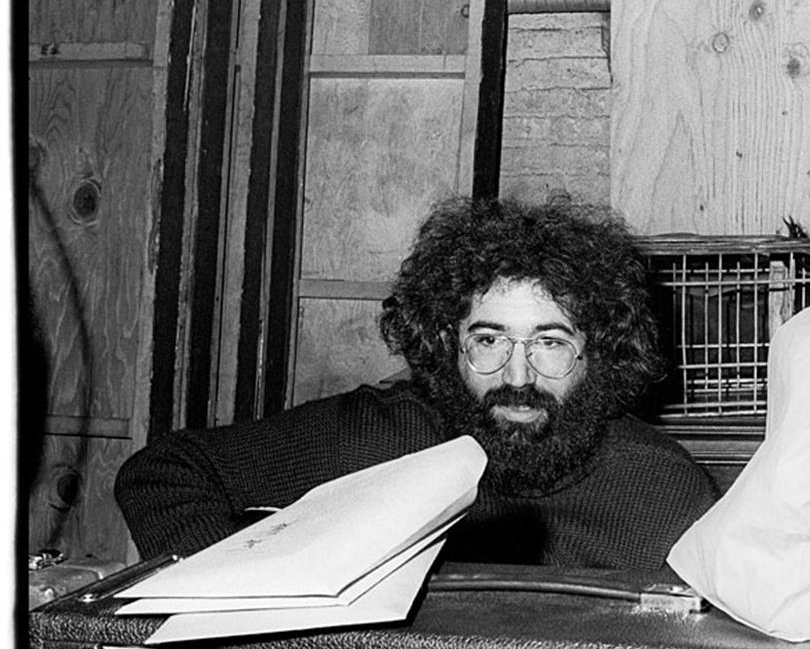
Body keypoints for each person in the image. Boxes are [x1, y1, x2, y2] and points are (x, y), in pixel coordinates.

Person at [116, 196, 719, 571]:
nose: (517, 376)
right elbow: (164, 470)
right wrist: (233, 589)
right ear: (446, 345)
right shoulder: (380, 434)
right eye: (488, 341)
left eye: (551, 343)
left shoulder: (663, 489)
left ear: (601, 355)